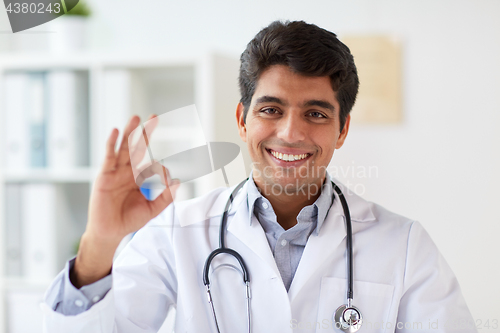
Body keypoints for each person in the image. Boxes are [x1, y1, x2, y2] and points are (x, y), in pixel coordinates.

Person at [42, 20, 477, 332]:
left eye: (316, 113)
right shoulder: (180, 231)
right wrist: (99, 245)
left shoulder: (402, 245)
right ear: (242, 120)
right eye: (271, 109)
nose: (291, 132)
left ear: (342, 129)